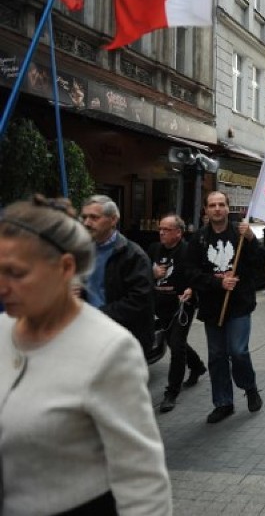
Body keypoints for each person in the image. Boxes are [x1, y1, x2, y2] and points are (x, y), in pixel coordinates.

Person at [0, 195, 171, 514]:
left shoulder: (109, 351)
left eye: (18, 272)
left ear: (65, 267)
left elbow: (142, 479)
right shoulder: (3, 333)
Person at [187, 191, 265, 423]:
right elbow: (190, 272)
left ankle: (249, 387)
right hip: (213, 306)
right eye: (212, 205)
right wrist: (217, 282)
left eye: (221, 204)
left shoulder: (241, 234)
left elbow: (262, 261)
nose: (217, 209)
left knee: (238, 351)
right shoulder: (199, 239)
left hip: (239, 304)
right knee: (217, 355)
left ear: (227, 207)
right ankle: (223, 402)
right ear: (206, 210)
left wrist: (252, 239)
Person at [80, 194, 156, 359]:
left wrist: (98, 314)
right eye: (84, 217)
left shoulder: (134, 255)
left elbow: (139, 300)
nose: (86, 223)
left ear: (113, 220)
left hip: (122, 337)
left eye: (94, 217)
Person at [148, 214, 207, 413]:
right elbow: (142, 270)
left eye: (166, 229)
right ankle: (197, 365)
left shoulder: (189, 251)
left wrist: (192, 289)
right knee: (174, 342)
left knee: (176, 345)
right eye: (160, 229)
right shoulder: (154, 249)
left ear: (178, 232)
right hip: (160, 305)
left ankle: (171, 392)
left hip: (182, 305)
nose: (162, 233)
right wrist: (152, 273)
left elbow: (199, 274)